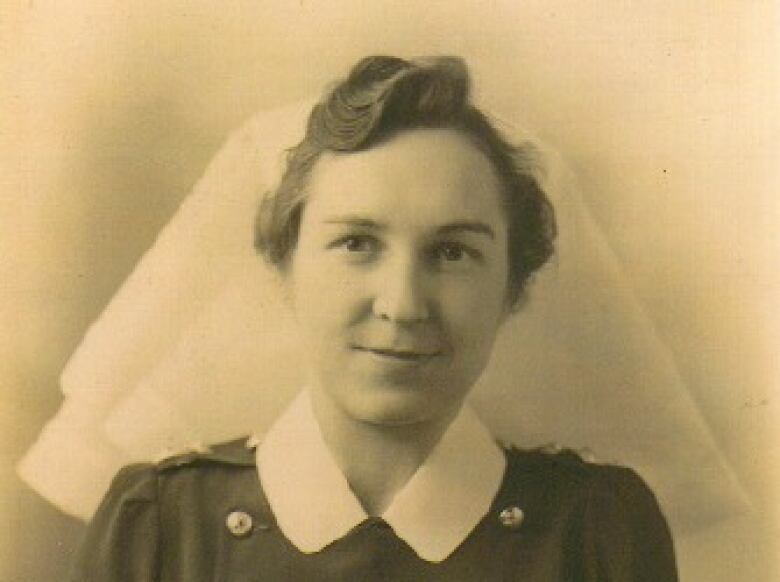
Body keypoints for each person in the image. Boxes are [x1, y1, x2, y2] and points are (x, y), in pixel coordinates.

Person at [69, 55, 678, 581]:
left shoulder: (595, 531)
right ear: (285, 266)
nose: (403, 305)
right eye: (358, 243)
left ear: (513, 288)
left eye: (452, 252)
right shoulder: (160, 528)